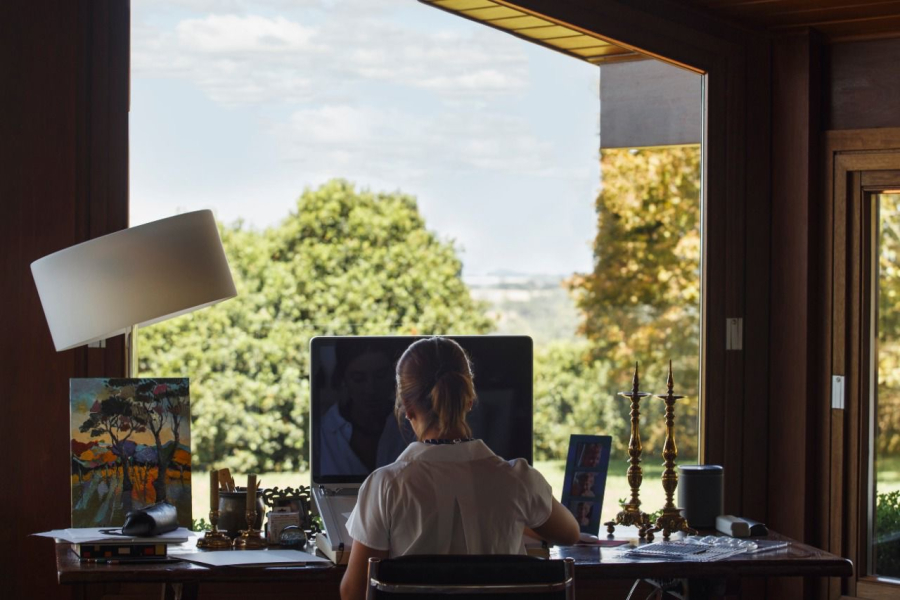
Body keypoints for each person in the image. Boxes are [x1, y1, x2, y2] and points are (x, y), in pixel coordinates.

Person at [340, 337, 580, 600]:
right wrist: (509, 517)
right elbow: (569, 533)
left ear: (407, 409)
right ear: (468, 399)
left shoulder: (385, 485)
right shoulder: (518, 480)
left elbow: (353, 592)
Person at [319, 345, 409, 475]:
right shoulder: (323, 431)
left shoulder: (412, 425)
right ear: (343, 379)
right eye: (358, 379)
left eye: (380, 375)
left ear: (393, 375)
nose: (371, 389)